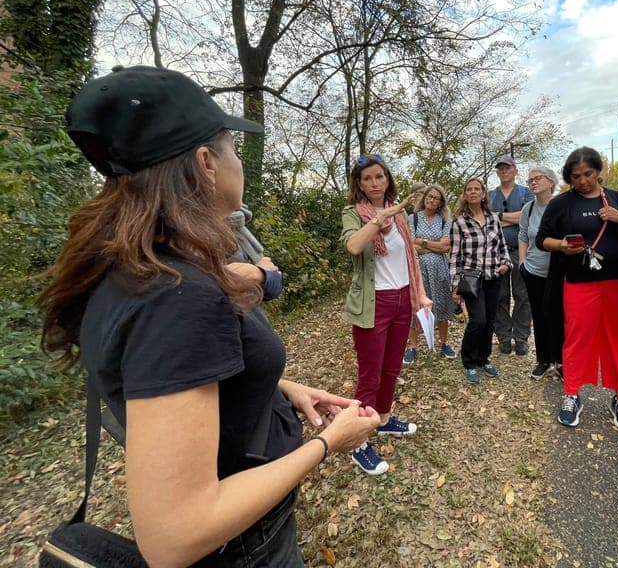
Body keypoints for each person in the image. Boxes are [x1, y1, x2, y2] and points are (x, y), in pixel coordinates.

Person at [38, 65, 380, 568]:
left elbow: (181, 378)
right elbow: (176, 535)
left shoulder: (137, 265)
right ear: (205, 162)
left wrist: (283, 388)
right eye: (232, 149)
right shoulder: (176, 296)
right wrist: (330, 443)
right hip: (242, 546)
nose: (237, 161)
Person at [340, 155, 432, 475]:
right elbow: (354, 246)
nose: (375, 183)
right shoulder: (353, 214)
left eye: (379, 177)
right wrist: (381, 218)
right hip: (373, 302)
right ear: (359, 184)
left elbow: (409, 255)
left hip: (402, 299)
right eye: (367, 179)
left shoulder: (401, 215)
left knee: (392, 368)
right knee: (371, 374)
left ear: (387, 179)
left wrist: (419, 293)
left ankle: (383, 418)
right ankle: (358, 443)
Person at [536, 147, 618, 432]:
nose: (583, 181)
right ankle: (572, 393)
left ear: (598, 171)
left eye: (588, 174)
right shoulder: (561, 203)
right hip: (579, 280)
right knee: (578, 337)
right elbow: (542, 239)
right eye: (576, 176)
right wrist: (562, 246)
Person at [450, 178, 512, 384]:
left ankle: (483, 358)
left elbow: (502, 246)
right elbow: (455, 256)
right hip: (471, 280)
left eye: (477, 189)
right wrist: (455, 285)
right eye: (469, 189)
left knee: (490, 321)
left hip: (493, 277)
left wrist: (506, 263)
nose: (473, 192)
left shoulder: (493, 218)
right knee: (478, 320)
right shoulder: (459, 222)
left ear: (484, 194)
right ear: (465, 195)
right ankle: (468, 361)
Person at [518, 166, 564, 380]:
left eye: (537, 178)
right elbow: (522, 236)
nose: (533, 182)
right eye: (530, 180)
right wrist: (522, 262)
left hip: (558, 272)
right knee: (539, 316)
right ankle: (543, 360)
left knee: (560, 317)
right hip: (533, 271)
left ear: (551, 182)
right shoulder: (528, 208)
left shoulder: (562, 206)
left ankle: (562, 361)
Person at [405, 184, 456, 362]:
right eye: (429, 196)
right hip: (418, 270)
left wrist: (423, 242)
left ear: (441, 202)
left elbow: (445, 247)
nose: (432, 200)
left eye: (436, 198)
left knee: (441, 304)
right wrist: (432, 245)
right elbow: (410, 244)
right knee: (416, 306)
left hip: (440, 270)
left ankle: (443, 343)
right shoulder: (413, 219)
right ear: (424, 197)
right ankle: (412, 346)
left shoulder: (445, 221)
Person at [489, 155, 534, 355]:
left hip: (521, 251)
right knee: (500, 296)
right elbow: (487, 221)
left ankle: (521, 337)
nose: (504, 171)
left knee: (523, 295)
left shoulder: (526, 193)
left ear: (515, 170)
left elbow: (528, 216)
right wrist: (513, 218)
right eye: (500, 168)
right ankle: (504, 337)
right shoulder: (490, 196)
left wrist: (499, 217)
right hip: (497, 253)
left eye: (507, 168)